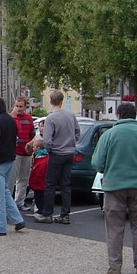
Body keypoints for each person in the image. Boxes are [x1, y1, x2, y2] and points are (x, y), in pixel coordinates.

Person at [91, 103, 137, 274]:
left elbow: (98, 163)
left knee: (114, 227)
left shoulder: (109, 135)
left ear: (118, 115)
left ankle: (115, 266)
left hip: (114, 186)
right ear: (135, 115)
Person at [0, 96, 26, 236]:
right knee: (5, 191)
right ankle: (17, 219)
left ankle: (0, 226)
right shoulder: (10, 120)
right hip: (9, 159)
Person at [37, 91, 80, 224]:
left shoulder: (51, 118)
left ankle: (47, 213)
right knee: (65, 185)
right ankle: (65, 214)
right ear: (62, 101)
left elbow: (47, 140)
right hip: (69, 152)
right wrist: (72, 143)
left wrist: (50, 149)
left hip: (57, 153)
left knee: (50, 184)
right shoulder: (70, 115)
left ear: (50, 101)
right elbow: (77, 132)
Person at [8, 97, 36, 210]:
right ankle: (9, 203)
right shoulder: (10, 118)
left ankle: (19, 202)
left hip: (26, 153)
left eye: (21, 106)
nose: (18, 109)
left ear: (25, 107)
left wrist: (30, 144)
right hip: (15, 153)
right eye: (17, 106)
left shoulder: (29, 118)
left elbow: (32, 134)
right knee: (11, 179)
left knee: (23, 179)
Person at [27, 137, 48, 216]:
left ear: (38, 148)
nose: (33, 148)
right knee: (39, 197)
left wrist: (33, 181)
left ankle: (40, 210)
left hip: (39, 183)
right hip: (40, 182)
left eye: (34, 147)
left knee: (39, 197)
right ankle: (40, 209)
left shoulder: (41, 158)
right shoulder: (41, 157)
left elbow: (39, 171)